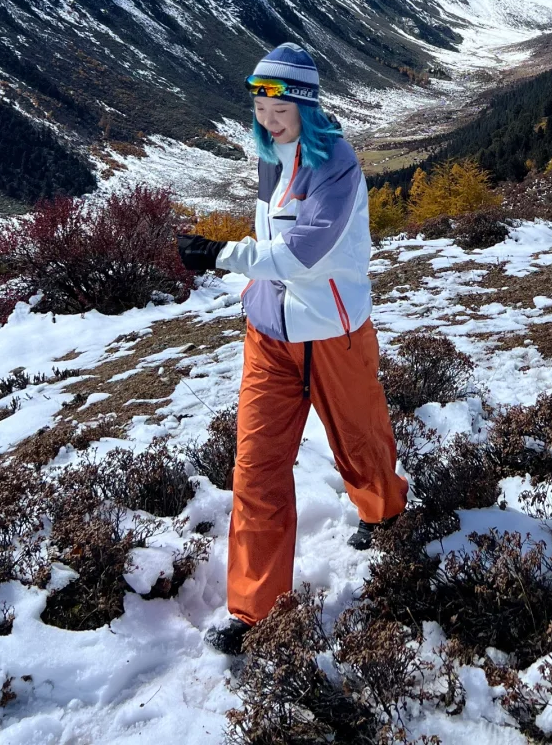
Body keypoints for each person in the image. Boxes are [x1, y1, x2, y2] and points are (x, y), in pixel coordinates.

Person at [178, 42, 408, 655]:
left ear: (306, 105)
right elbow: (273, 241)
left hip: (332, 330)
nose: (268, 119)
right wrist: (249, 280)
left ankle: (383, 514)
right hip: (270, 333)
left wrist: (219, 255)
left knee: (359, 438)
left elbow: (304, 251)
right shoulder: (268, 157)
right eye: (259, 106)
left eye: (279, 109)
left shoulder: (335, 163)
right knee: (255, 467)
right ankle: (255, 611)